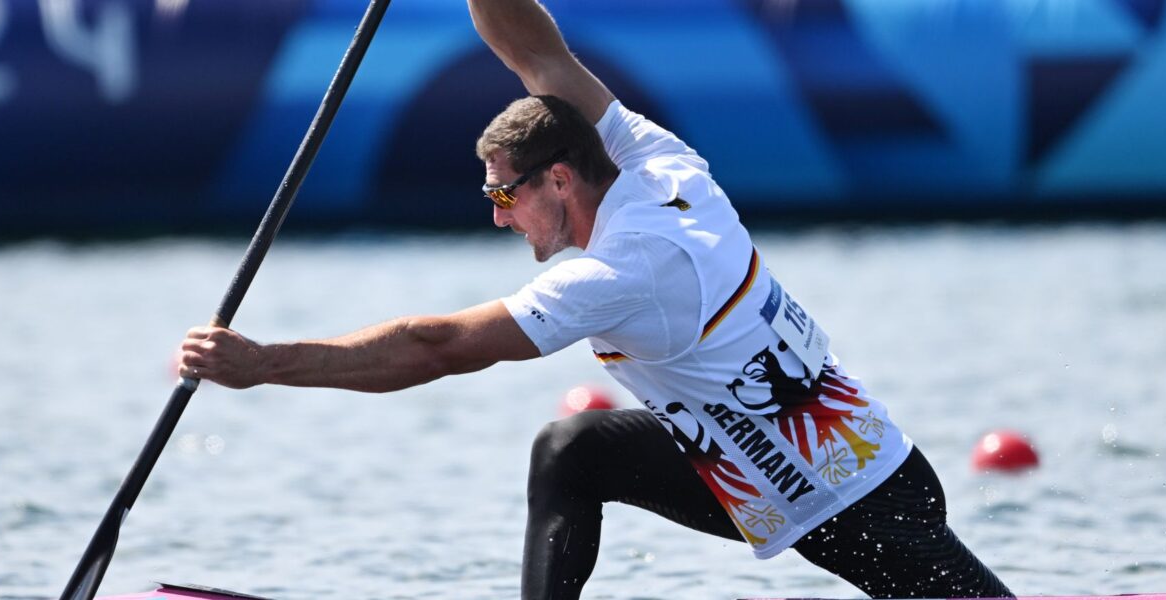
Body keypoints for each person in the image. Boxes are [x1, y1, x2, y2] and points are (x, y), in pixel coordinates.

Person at [177, 1, 1015, 598]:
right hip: (750, 468)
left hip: (852, 496)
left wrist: (264, 365)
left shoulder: (621, 272)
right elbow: (535, 53)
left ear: (561, 178)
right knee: (573, 449)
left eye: (505, 198)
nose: (499, 216)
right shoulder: (651, 158)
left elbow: (435, 345)